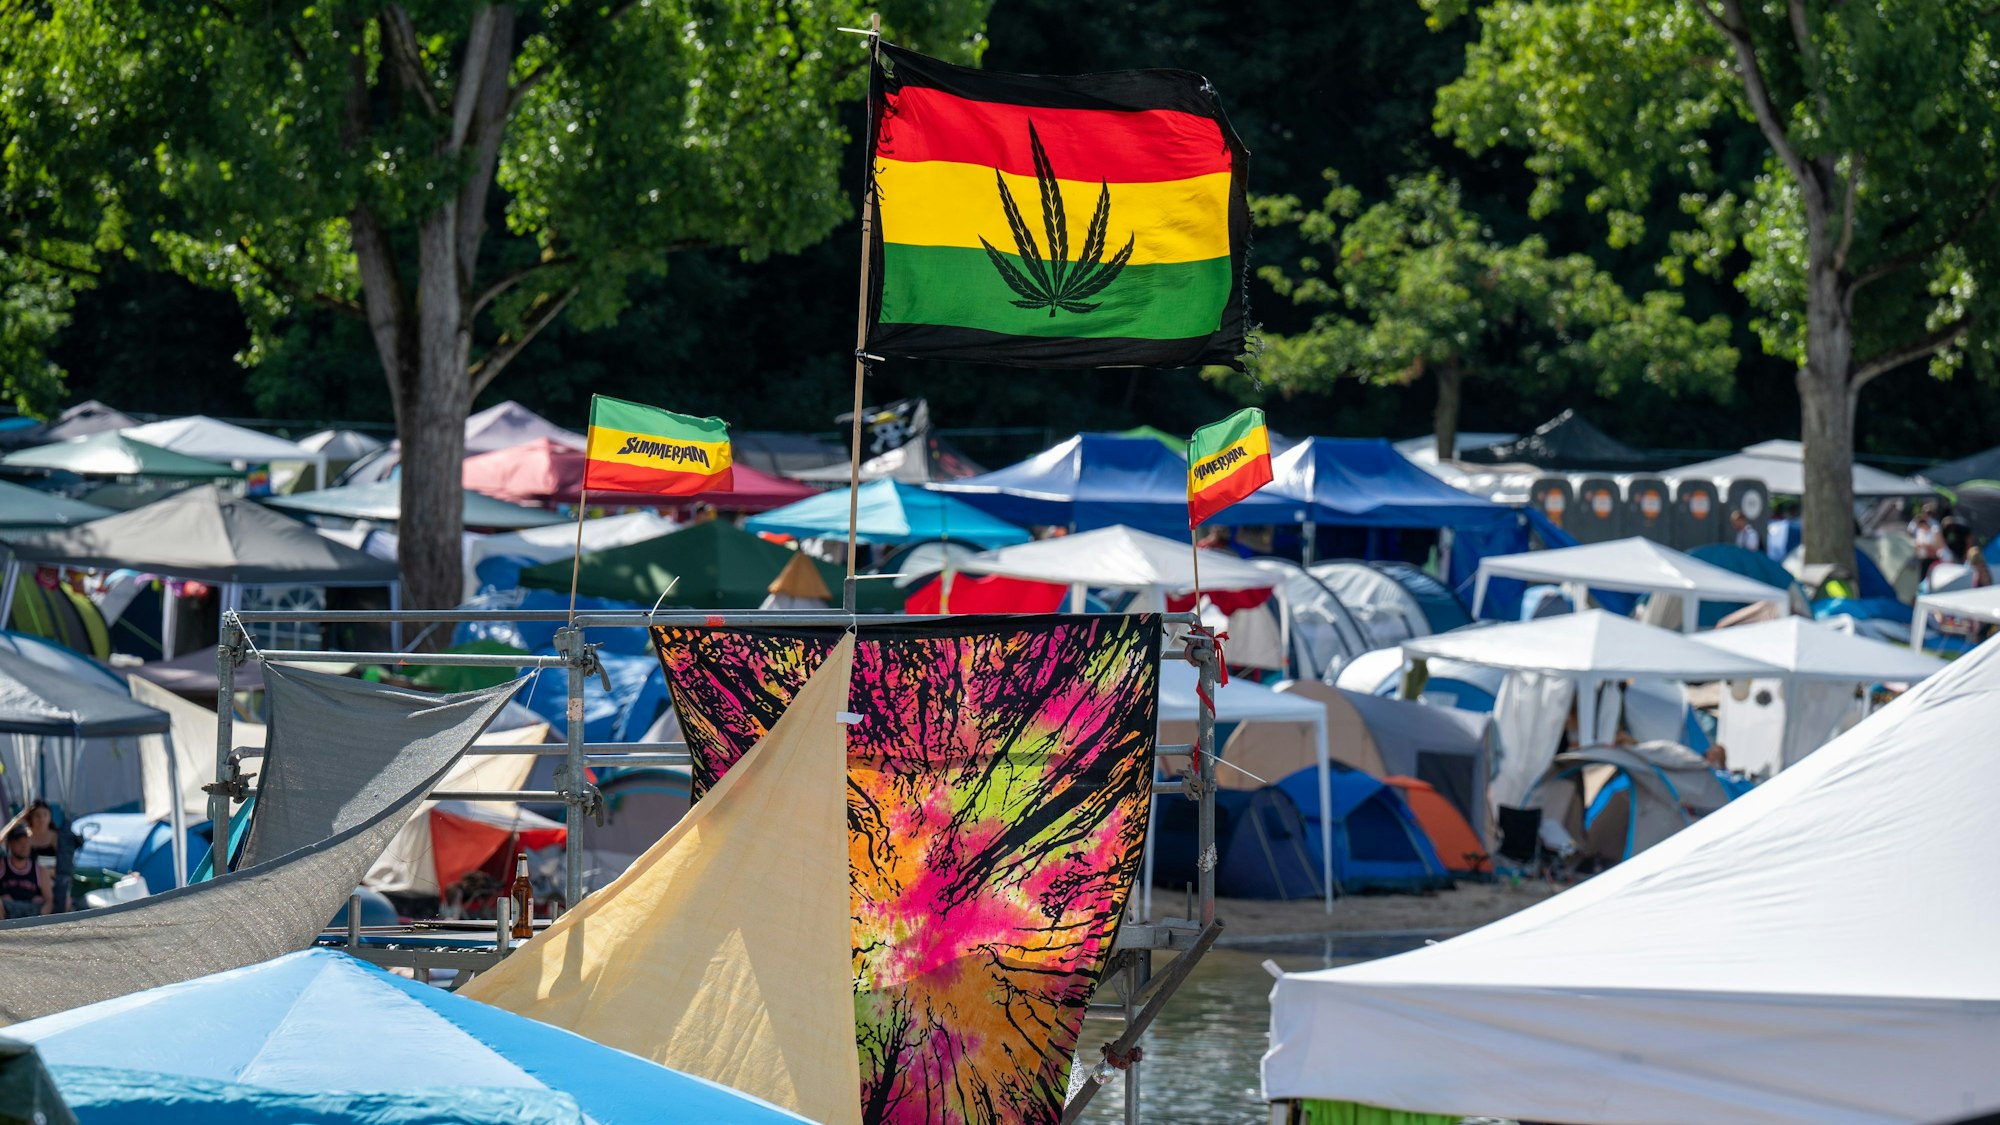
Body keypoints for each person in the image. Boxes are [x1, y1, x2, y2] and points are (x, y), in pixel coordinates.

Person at [2, 826, 51, 919]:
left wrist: (42, 914)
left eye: (27, 842)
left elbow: (49, 900)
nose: (24, 846)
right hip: (7, 916)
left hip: (32, 915)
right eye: (19, 842)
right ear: (10, 844)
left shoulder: (39, 870)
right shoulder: (2, 865)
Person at [1942, 519, 1991, 587]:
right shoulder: (1947, 531)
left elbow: (1969, 539)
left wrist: (1966, 552)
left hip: (1965, 551)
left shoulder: (1961, 529)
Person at [1911, 502, 1944, 577]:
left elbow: (1939, 546)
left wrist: (1926, 546)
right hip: (1922, 559)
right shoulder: (1920, 531)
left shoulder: (1934, 529)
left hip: (1932, 559)